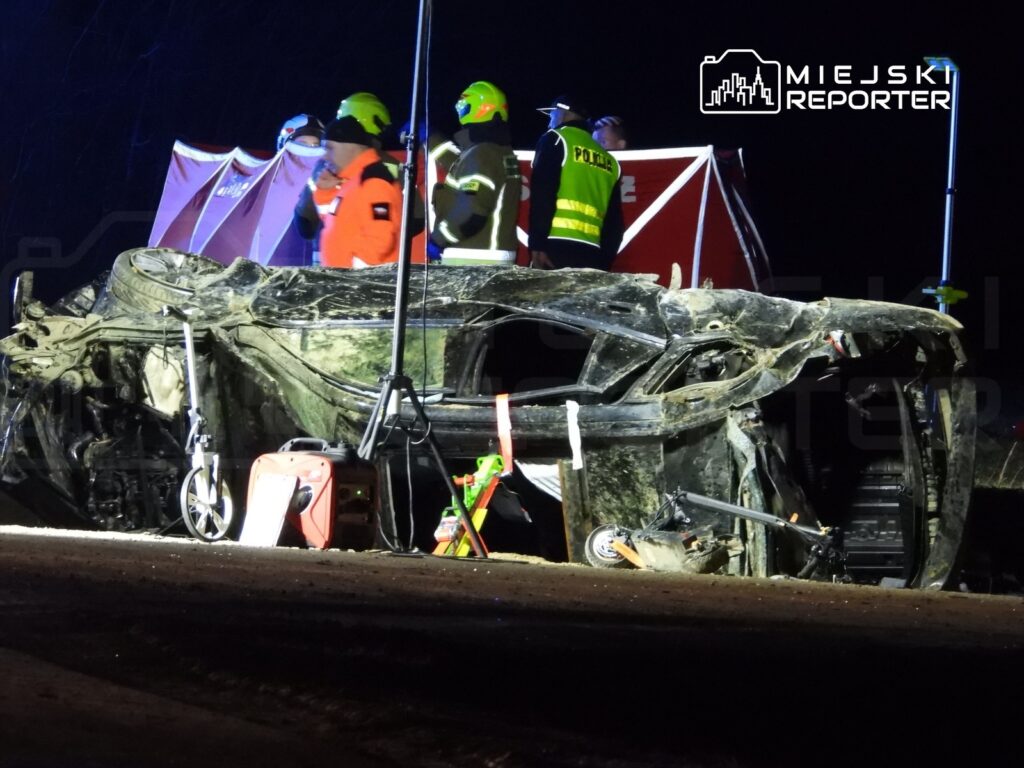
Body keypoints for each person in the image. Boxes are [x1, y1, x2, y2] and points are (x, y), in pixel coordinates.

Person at [428, 81, 522, 266]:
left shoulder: (483, 153)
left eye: (463, 106)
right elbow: (459, 164)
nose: (459, 112)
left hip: (474, 259)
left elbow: (472, 212)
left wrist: (438, 239)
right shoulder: (496, 150)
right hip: (488, 255)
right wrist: (429, 137)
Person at [528, 95, 623, 270]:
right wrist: (603, 262)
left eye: (552, 114)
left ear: (563, 113)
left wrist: (537, 244)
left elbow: (542, 195)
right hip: (592, 254)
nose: (549, 122)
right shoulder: (609, 161)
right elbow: (615, 223)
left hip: (553, 247)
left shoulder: (556, 138)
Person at [306, 114, 403, 268]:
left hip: (360, 281)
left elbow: (380, 238)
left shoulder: (374, 180)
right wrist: (326, 192)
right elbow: (334, 222)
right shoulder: (352, 181)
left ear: (351, 147)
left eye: (330, 148)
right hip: (345, 277)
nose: (325, 156)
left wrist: (354, 276)